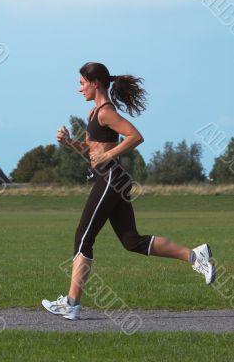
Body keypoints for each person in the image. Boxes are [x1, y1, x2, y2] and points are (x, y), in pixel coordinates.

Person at [42, 62, 216, 320]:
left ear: (95, 83)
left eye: (81, 83)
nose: (79, 89)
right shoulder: (93, 114)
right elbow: (93, 154)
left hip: (111, 178)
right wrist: (69, 142)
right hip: (110, 177)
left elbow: (135, 136)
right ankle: (195, 256)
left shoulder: (105, 112)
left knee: (83, 237)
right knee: (131, 241)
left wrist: (108, 155)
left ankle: (71, 303)